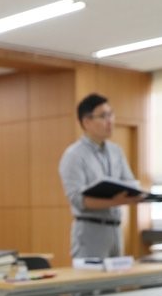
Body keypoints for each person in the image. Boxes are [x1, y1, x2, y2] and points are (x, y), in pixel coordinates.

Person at [59, 93, 144, 259]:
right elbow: (78, 200)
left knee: (117, 276)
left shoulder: (116, 151)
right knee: (90, 277)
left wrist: (137, 194)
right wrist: (117, 201)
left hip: (116, 229)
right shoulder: (74, 155)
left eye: (111, 114)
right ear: (86, 121)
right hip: (90, 231)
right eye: (103, 116)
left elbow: (129, 182)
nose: (110, 120)